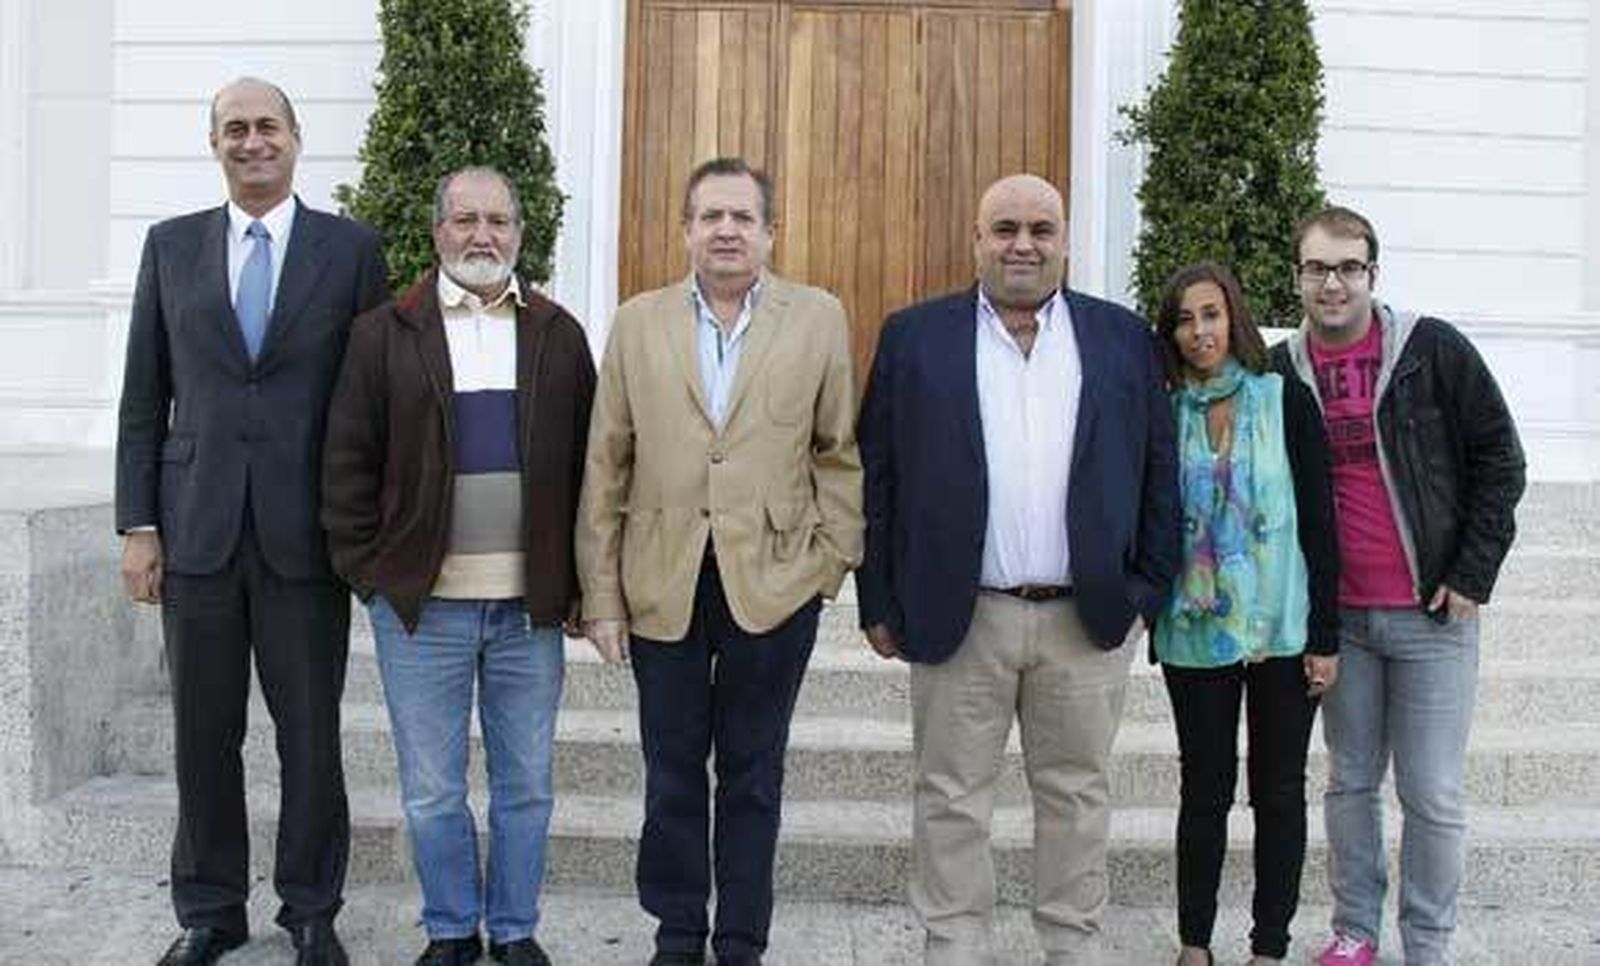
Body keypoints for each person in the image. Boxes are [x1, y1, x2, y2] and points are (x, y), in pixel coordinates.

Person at [856, 172, 1179, 966]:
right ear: (976, 240)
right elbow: (878, 476)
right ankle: (955, 947)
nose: (1023, 244)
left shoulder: (1122, 338)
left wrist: (1145, 591)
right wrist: (877, 600)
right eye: (1004, 228)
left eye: (1041, 228)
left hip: (1086, 615)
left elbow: (1158, 473)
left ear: (1066, 241)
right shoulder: (914, 337)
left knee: (1075, 795)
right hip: (960, 614)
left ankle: (1072, 947)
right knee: (950, 800)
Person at [114, 77, 389, 966]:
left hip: (305, 538)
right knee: (204, 733)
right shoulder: (171, 247)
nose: (252, 141)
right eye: (234, 128)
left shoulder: (351, 252)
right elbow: (142, 398)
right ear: (215, 145)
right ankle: (209, 911)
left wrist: (364, 528)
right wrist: (137, 525)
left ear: (297, 139)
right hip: (194, 532)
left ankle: (311, 909)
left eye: (267, 125)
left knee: (309, 734)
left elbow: (371, 403)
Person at [575, 156, 863, 966]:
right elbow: (607, 462)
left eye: (742, 217)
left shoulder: (818, 318)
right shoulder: (638, 321)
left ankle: (740, 938)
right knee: (671, 772)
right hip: (661, 578)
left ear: (771, 233)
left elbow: (837, 450)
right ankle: (677, 933)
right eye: (710, 216)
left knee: (752, 772)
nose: (726, 230)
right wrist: (601, 594)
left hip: (773, 584)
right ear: (687, 231)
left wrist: (828, 566)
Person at [321, 166, 595, 966]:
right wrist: (368, 574)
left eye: (499, 221)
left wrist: (578, 583)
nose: (484, 235)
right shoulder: (383, 334)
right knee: (433, 790)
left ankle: (513, 930)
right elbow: (345, 464)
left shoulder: (557, 333)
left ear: (520, 232)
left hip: (526, 610)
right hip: (423, 608)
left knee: (527, 788)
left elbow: (590, 467)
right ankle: (449, 929)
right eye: (467, 220)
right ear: (438, 231)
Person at [1270, 206, 1526, 966]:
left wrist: (1472, 574)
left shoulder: (1430, 350)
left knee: (1433, 793)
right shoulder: (1284, 371)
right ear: (1298, 278)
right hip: (1341, 621)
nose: (1333, 283)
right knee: (1349, 784)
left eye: (1349, 267)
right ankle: (1355, 932)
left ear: (1372, 275)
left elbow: (1500, 463)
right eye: (1318, 268)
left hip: (1431, 615)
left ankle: (1428, 944)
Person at [1150, 261, 1339, 966]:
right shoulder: (1163, 412)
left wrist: (1327, 635)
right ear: (1170, 332)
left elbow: (1321, 522)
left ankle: (1268, 948)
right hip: (1194, 632)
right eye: (1184, 318)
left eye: (1211, 313)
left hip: (1283, 631)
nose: (1200, 331)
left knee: (1280, 793)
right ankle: (1194, 944)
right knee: (1203, 789)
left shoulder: (1283, 400)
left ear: (1234, 317)